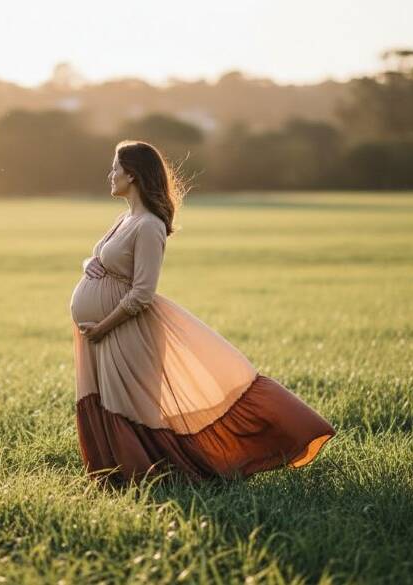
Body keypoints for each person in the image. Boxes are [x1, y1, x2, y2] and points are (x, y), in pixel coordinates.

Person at [69, 140, 336, 486]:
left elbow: (143, 293)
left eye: (115, 168)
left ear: (132, 175)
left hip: (125, 330)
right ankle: (115, 476)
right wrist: (90, 264)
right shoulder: (125, 218)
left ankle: (157, 477)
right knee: (106, 401)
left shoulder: (149, 225)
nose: (111, 174)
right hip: (102, 333)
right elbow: (106, 259)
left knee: (129, 406)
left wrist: (104, 326)